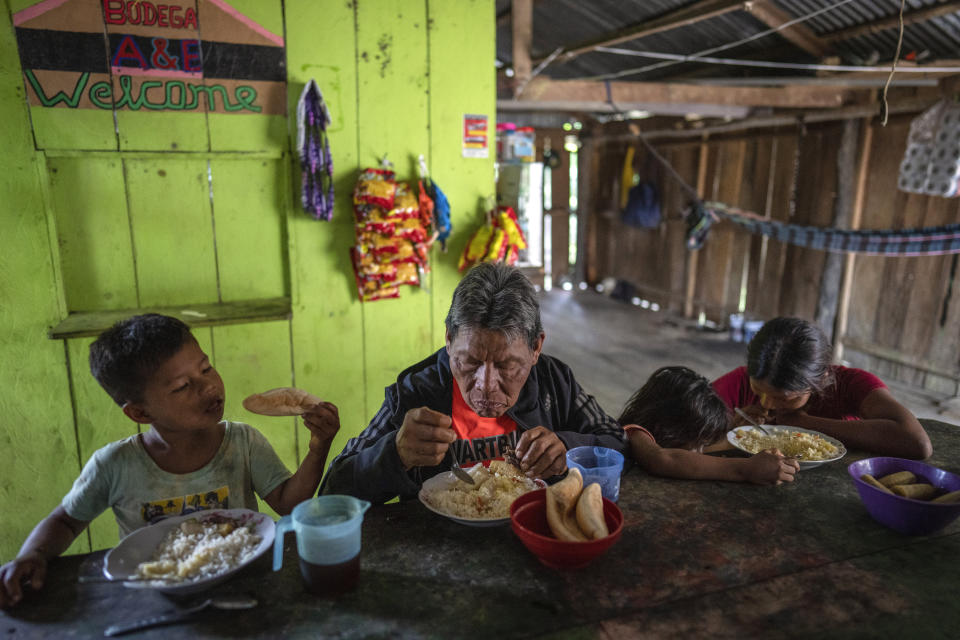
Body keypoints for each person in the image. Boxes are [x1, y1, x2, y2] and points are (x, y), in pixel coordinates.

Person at [0, 314, 340, 608]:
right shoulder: (115, 465)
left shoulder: (242, 441)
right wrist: (33, 554)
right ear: (140, 412)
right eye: (182, 386)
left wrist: (319, 446)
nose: (208, 387)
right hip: (155, 600)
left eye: (206, 367)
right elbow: (65, 521)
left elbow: (288, 504)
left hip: (242, 589)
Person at [320, 262, 626, 503]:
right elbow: (332, 490)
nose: (486, 385)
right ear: (449, 341)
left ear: (535, 349)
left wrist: (568, 450)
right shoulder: (416, 393)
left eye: (507, 365)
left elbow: (617, 440)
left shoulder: (553, 382)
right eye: (469, 362)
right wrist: (394, 454)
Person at [713, 317, 932, 459]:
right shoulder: (740, 381)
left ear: (821, 379)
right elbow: (681, 428)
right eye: (758, 390)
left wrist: (805, 424)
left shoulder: (851, 384)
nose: (765, 403)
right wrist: (728, 427)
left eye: (785, 398)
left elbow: (917, 443)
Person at [622, 366, 799, 485]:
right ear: (665, 427)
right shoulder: (633, 433)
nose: (700, 453)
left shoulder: (665, 437)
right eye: (696, 445)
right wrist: (746, 469)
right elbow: (664, 459)